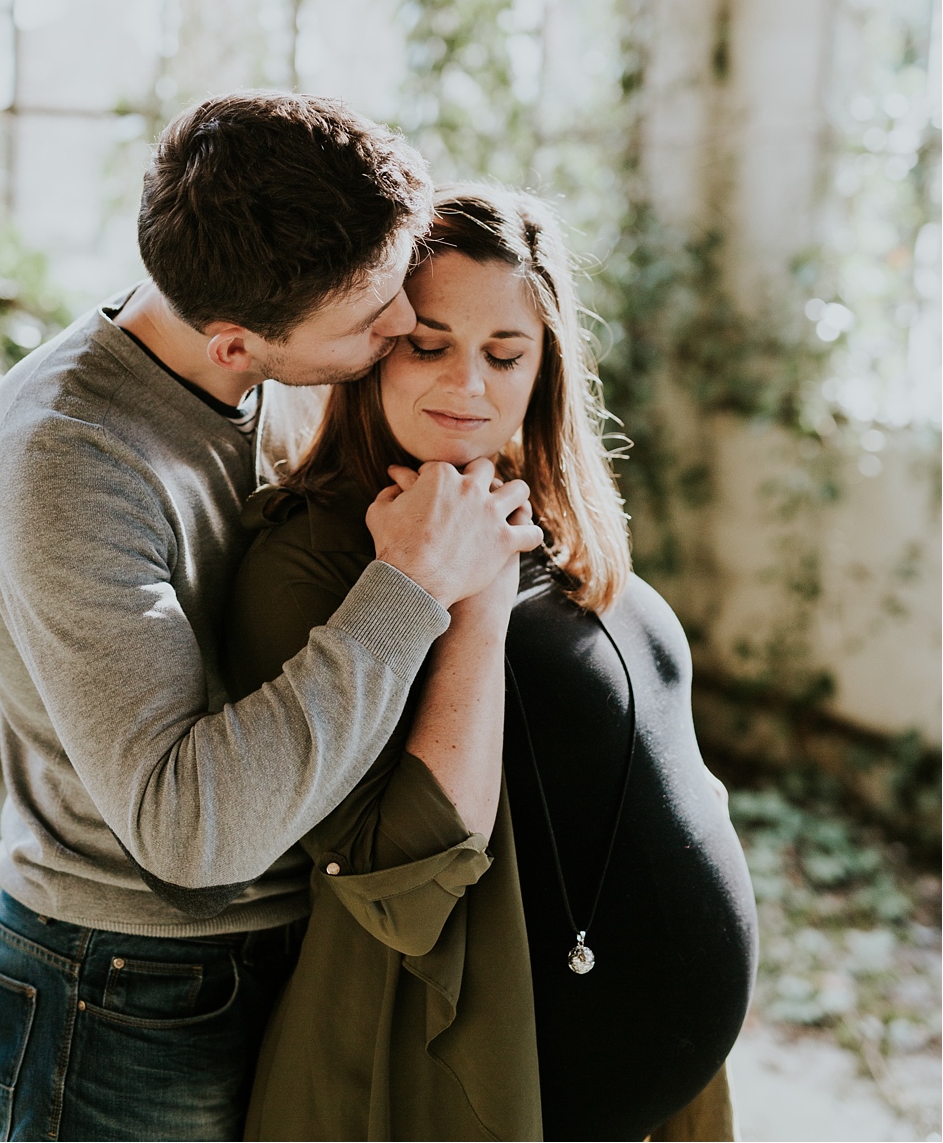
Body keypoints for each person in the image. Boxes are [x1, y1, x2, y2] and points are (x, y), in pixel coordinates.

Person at [0, 94, 544, 1143]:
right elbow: (191, 831)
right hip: (131, 990)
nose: (401, 325)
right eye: (373, 318)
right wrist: (409, 589)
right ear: (235, 342)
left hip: (299, 941)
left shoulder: (283, 354)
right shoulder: (68, 461)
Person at [227, 184, 759, 1142]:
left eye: (505, 354)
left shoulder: (540, 508)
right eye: (428, 345)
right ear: (370, 347)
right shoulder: (313, 559)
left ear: (546, 364)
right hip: (476, 1085)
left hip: (662, 1087)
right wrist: (466, 599)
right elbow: (402, 884)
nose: (468, 386)